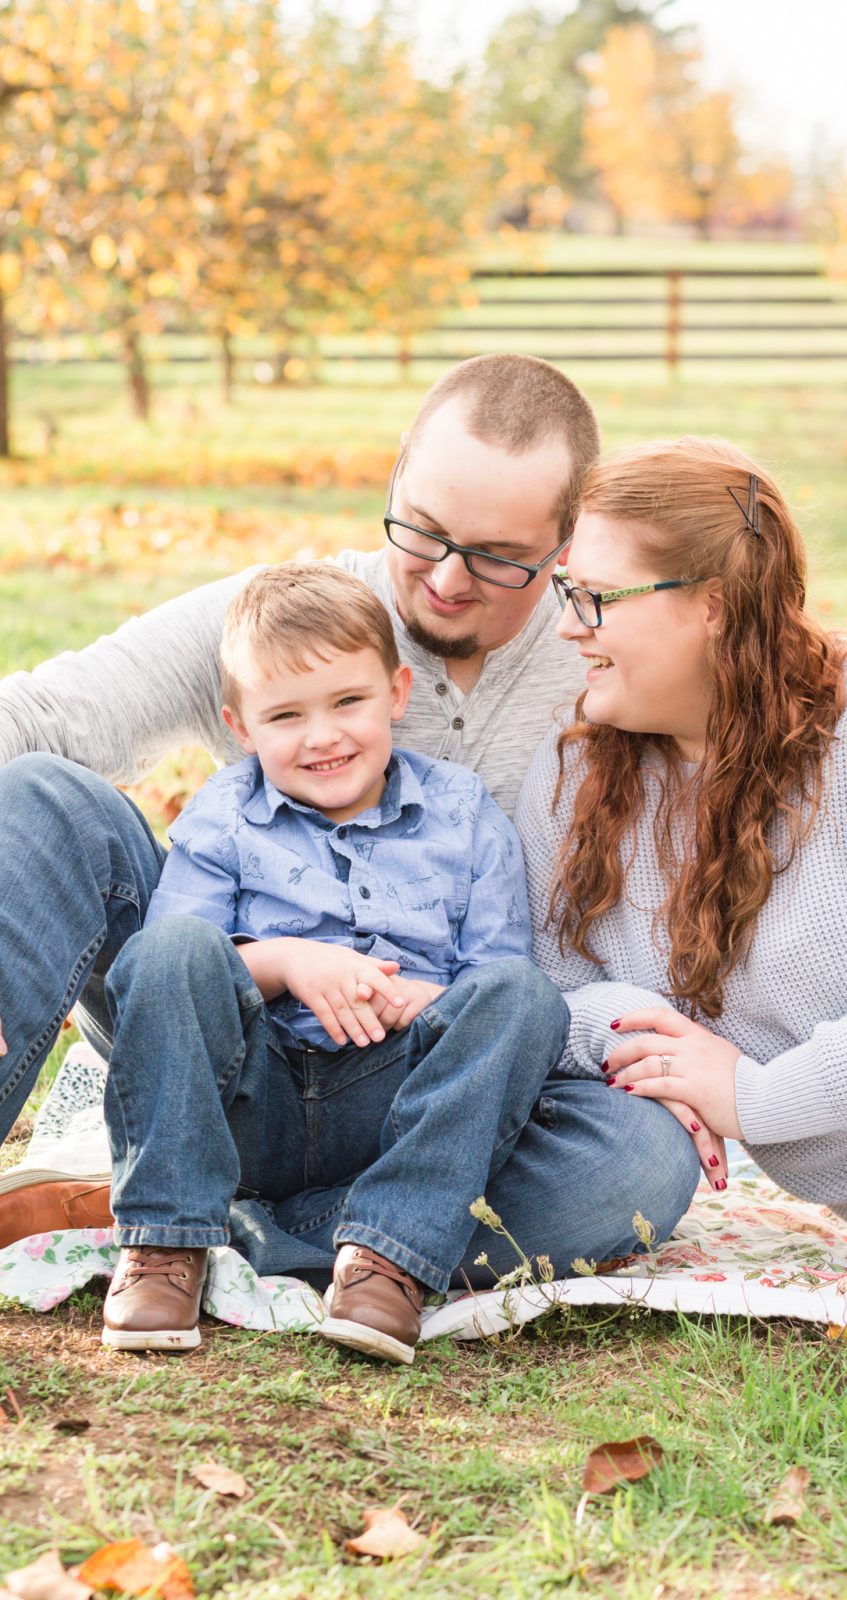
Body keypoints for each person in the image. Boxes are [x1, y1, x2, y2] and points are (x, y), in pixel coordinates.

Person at [0, 355, 699, 1275]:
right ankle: (238, 1188)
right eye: (424, 530)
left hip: (435, 1080)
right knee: (45, 797)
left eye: (496, 557)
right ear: (397, 475)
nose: (448, 578)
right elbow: (42, 714)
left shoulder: (601, 666)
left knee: (641, 1159)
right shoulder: (285, 614)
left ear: (565, 544)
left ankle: (231, 1221)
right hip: (220, 1047)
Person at [515, 435, 847, 1350]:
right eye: (566, 590)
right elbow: (551, 990)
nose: (566, 624)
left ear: (716, 610)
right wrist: (642, 1033)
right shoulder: (574, 782)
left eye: (594, 599)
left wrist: (760, 1100)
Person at [99, 563, 569, 1363]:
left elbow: (494, 983)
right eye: (285, 715)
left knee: (528, 998)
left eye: (348, 702)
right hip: (256, 1096)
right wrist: (287, 962)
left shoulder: (463, 813)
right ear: (240, 727)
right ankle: (167, 1239)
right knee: (170, 948)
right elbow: (173, 969)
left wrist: (414, 1002)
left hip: (394, 1110)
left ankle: (386, 1252)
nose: (323, 736)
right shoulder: (225, 811)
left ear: (397, 692)